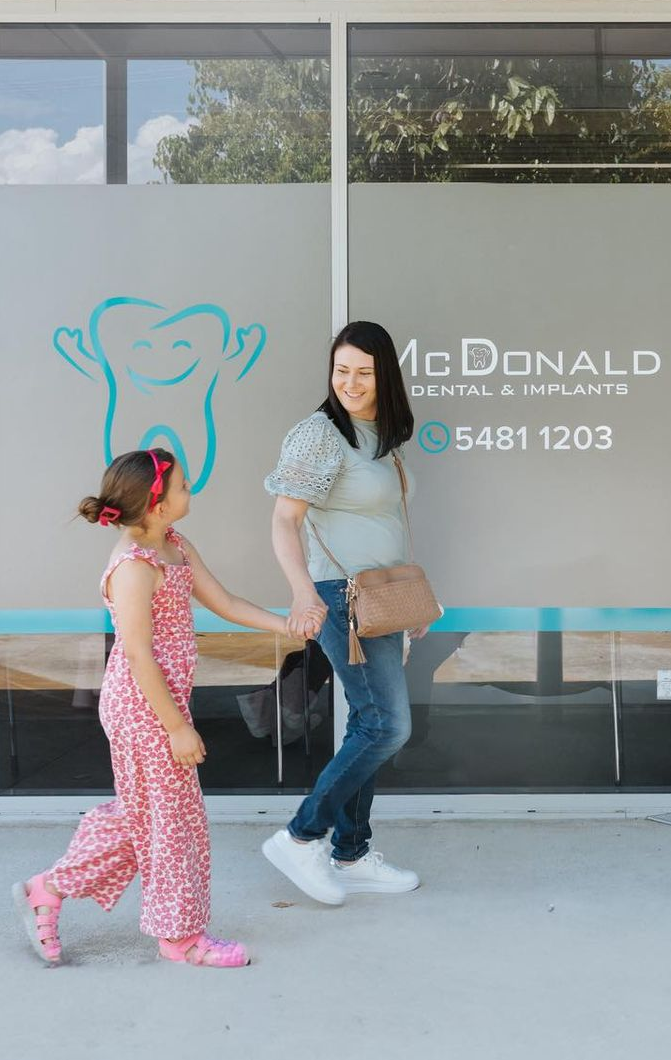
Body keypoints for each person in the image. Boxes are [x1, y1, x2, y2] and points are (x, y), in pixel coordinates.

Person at [12, 447, 287, 968]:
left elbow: (224, 602)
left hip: (158, 703)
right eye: (183, 486)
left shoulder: (174, 544)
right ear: (157, 503)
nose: (191, 492)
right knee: (171, 823)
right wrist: (177, 727)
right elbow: (137, 654)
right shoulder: (134, 567)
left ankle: (46, 889)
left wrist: (287, 624)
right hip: (143, 708)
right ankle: (180, 939)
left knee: (150, 819)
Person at [261, 321, 425, 905]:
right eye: (341, 369)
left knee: (367, 722)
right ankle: (302, 836)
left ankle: (350, 853)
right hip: (339, 596)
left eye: (363, 371)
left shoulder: (377, 434)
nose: (350, 382)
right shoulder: (319, 433)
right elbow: (286, 520)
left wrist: (409, 598)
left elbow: (384, 523)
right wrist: (302, 591)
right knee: (388, 725)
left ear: (385, 375)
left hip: (381, 598)